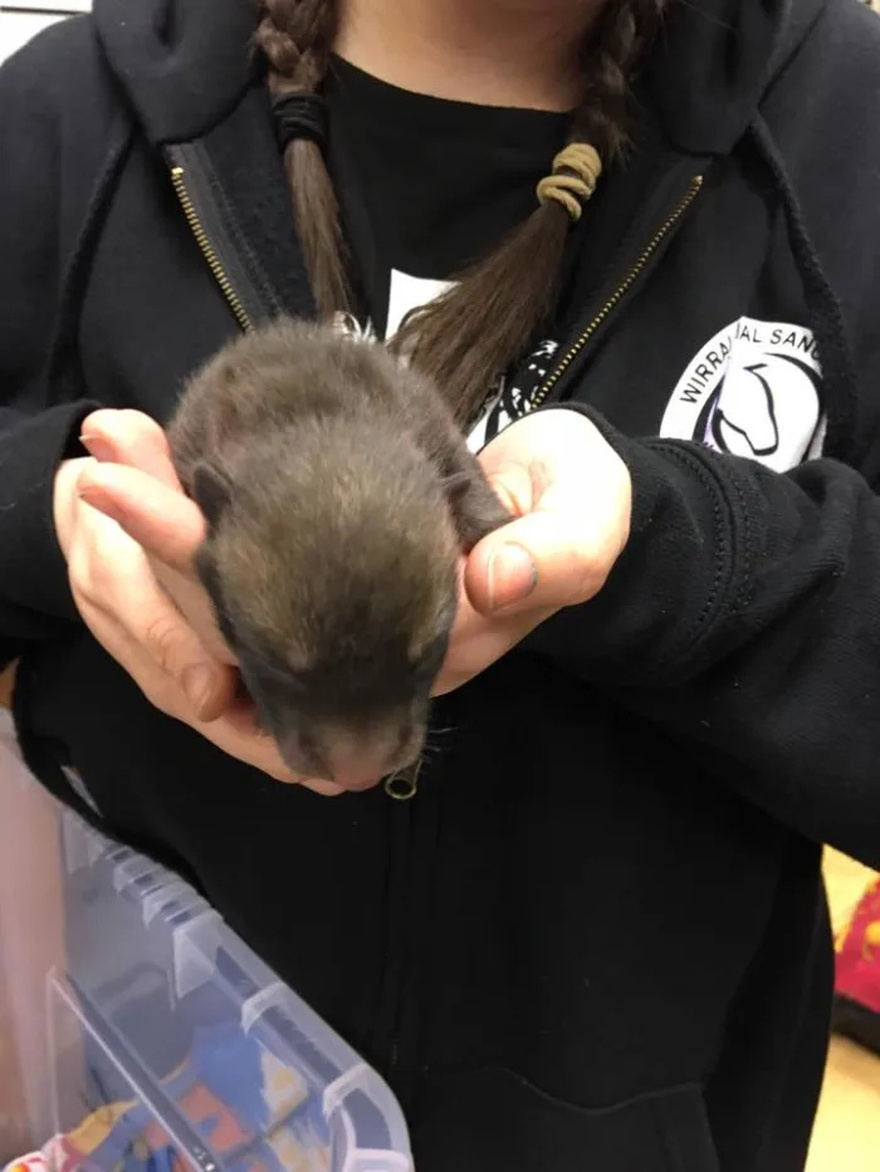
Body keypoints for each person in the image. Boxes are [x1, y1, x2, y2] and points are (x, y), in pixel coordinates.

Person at [1, 0, 879, 1166]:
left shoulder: (846, 129)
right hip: (155, 1095)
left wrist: (682, 548)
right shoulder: (66, 113)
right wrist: (58, 506)